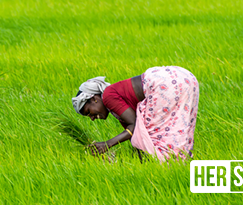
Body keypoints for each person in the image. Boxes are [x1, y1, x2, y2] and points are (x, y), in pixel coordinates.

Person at [71, 66, 199, 161]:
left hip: (164, 84)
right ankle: (182, 163)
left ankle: (173, 167)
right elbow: (137, 135)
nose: (93, 118)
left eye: (89, 112)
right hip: (185, 77)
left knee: (156, 140)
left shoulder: (108, 96)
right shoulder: (115, 97)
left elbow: (135, 126)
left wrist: (107, 144)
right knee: (175, 129)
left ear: (94, 99)